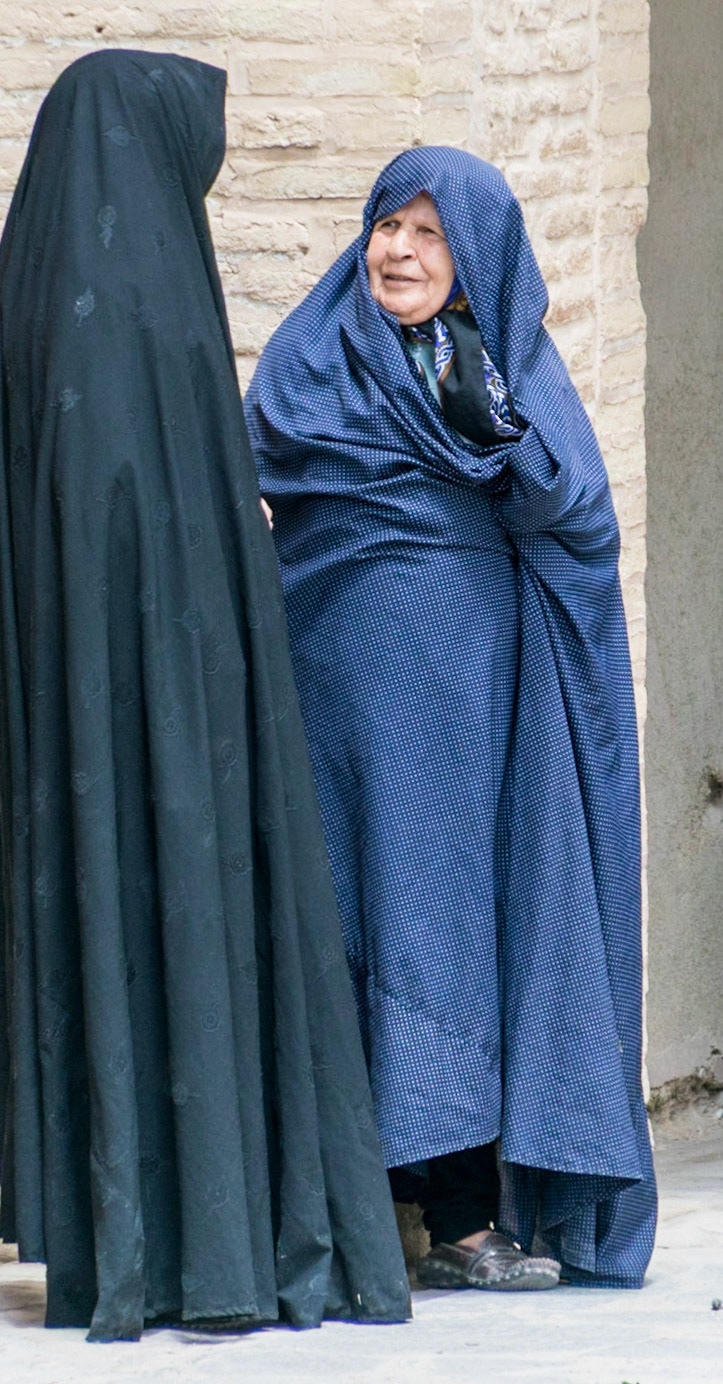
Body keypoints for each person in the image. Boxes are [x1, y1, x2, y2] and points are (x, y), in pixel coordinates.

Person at [0, 50, 411, 1341]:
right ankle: (220, 1242)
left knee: (103, 903)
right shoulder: (148, 302)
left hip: (78, 706)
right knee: (189, 905)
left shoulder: (36, 289)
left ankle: (123, 1243)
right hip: (176, 701)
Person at [245, 146, 658, 1291]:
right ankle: (344, 1207)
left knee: (450, 928)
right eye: (389, 224)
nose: (398, 250)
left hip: (467, 697)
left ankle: (463, 1218)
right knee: (349, 914)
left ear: (474, 257)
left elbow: (575, 511)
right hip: (332, 689)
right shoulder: (311, 354)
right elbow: (255, 472)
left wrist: (501, 433)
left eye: (430, 234)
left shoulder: (504, 368)